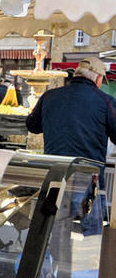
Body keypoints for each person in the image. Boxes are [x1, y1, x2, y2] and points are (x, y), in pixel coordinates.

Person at [27, 56, 116, 236]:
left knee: (56, 231)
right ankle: (89, 265)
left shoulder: (49, 96)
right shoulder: (105, 101)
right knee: (92, 233)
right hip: (88, 176)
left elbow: (32, 125)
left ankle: (55, 264)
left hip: (56, 174)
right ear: (98, 78)